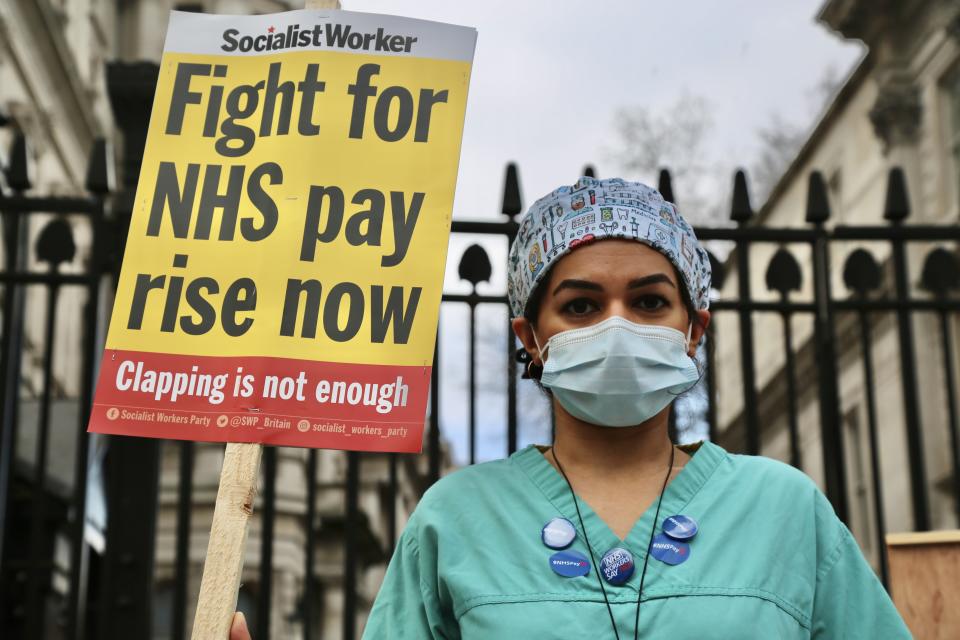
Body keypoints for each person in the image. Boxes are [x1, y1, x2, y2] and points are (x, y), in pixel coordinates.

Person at [232, 177, 912, 639]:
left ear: (693, 330)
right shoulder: (454, 519)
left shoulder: (783, 510)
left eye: (649, 302)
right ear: (531, 338)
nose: (616, 327)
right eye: (581, 306)